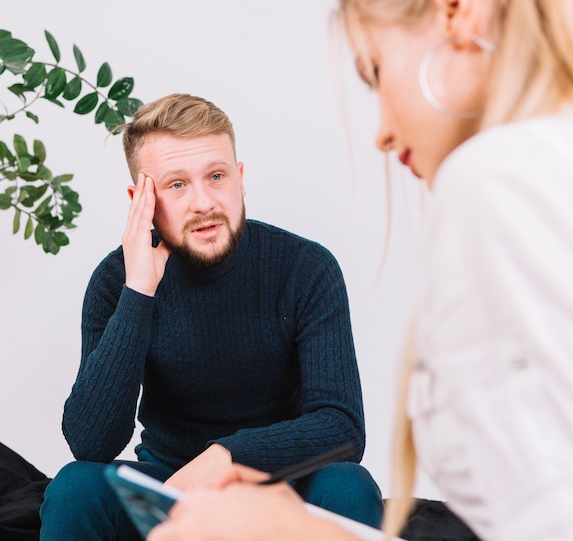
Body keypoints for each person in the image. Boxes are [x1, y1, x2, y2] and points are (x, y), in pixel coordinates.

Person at [145, 0, 573, 540]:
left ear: (456, 9)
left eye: (376, 74)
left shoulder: (498, 177)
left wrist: (295, 532)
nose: (380, 132)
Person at [39, 93, 384, 540]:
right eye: (177, 185)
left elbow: (342, 427)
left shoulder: (306, 268)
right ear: (140, 199)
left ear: (240, 179)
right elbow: (91, 443)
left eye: (216, 176)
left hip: (277, 487)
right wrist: (139, 290)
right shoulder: (116, 281)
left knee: (348, 486)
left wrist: (228, 455)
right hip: (168, 488)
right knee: (74, 488)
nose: (203, 202)